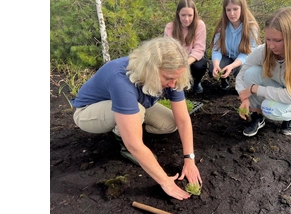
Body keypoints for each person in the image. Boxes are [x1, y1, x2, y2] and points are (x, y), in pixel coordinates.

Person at [70, 37, 202, 200]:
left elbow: (182, 119)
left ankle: (130, 124)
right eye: (168, 78)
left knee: (170, 123)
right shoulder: (121, 79)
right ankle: (123, 140)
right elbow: (135, 144)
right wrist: (165, 182)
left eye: (176, 77)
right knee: (136, 117)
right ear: (151, 70)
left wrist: (189, 159)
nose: (173, 84)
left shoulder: (173, 75)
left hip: (130, 104)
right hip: (88, 112)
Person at [235, 6, 291, 137]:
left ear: (290, 38)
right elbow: (242, 75)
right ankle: (257, 115)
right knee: (251, 72)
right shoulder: (263, 50)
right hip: (277, 84)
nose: (271, 45)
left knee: (270, 108)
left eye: (277, 40)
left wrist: (255, 89)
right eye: (268, 39)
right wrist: (244, 97)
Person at [209, 0, 261, 90]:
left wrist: (232, 66)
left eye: (235, 9)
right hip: (227, 56)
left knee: (243, 69)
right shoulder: (222, 26)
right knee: (213, 66)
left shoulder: (251, 27)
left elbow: (248, 53)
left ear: (242, 8)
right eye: (228, 10)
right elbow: (216, 49)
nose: (232, 13)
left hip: (244, 58)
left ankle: (242, 86)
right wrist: (216, 65)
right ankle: (224, 80)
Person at [164, 0, 207, 94]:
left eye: (190, 15)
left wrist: (185, 64)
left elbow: (199, 49)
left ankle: (196, 81)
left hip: (193, 56)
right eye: (183, 15)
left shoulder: (199, 25)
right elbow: (168, 50)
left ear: (194, 14)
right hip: (177, 58)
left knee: (199, 66)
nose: (186, 19)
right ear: (178, 13)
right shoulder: (170, 27)